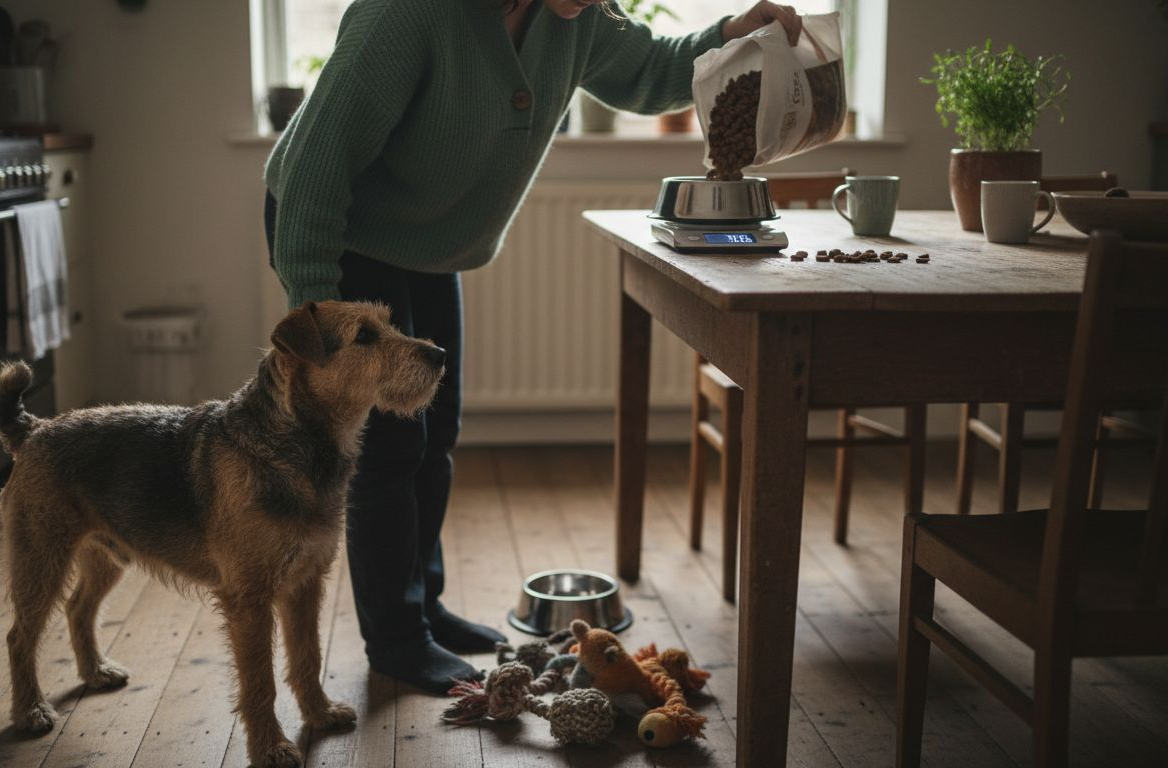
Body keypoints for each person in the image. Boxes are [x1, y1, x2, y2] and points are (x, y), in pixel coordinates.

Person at [262, 0, 803, 694]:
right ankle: (397, 641)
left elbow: (650, 71)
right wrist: (316, 317)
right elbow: (315, 167)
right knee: (393, 449)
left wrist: (730, 33)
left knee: (438, 430)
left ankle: (424, 608)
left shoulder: (576, 15)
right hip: (341, 229)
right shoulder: (406, 13)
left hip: (426, 245)